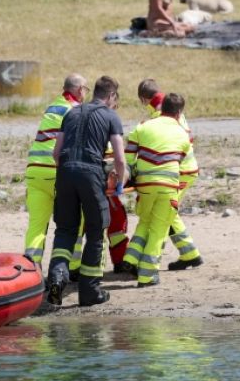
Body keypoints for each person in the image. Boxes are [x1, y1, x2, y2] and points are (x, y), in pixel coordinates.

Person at [46, 76, 128, 307]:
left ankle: (55, 284)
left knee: (65, 231)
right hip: (90, 173)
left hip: (65, 172)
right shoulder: (111, 116)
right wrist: (120, 184)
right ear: (111, 96)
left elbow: (56, 153)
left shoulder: (71, 113)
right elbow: (120, 159)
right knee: (95, 229)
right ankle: (89, 291)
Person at [121, 79, 201, 276]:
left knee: (158, 217)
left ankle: (139, 260)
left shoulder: (159, 113)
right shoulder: (167, 106)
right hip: (181, 168)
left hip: (176, 171)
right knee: (166, 213)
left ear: (143, 98)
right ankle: (189, 253)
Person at [24, 74, 89, 271]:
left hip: (35, 171)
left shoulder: (53, 106)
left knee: (37, 225)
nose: (86, 93)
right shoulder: (75, 111)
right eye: (86, 89)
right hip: (56, 172)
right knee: (75, 221)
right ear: (79, 90)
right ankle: (74, 266)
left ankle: (30, 271)